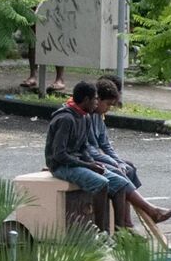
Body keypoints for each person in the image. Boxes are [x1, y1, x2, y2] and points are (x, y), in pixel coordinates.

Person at [46, 81, 143, 230]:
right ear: (86, 100)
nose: (97, 103)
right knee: (101, 183)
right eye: (95, 99)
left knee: (120, 183)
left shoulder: (84, 117)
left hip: (78, 162)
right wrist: (88, 165)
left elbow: (84, 147)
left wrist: (93, 163)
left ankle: (120, 231)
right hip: (61, 166)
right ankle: (101, 231)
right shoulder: (66, 119)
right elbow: (59, 155)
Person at [91, 77, 171, 223]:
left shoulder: (99, 117)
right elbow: (89, 150)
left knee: (128, 168)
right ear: (97, 99)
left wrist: (118, 161)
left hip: (96, 157)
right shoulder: (85, 116)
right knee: (118, 175)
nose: (109, 108)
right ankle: (142, 215)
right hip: (88, 160)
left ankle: (129, 220)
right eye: (108, 104)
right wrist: (114, 163)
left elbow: (105, 145)